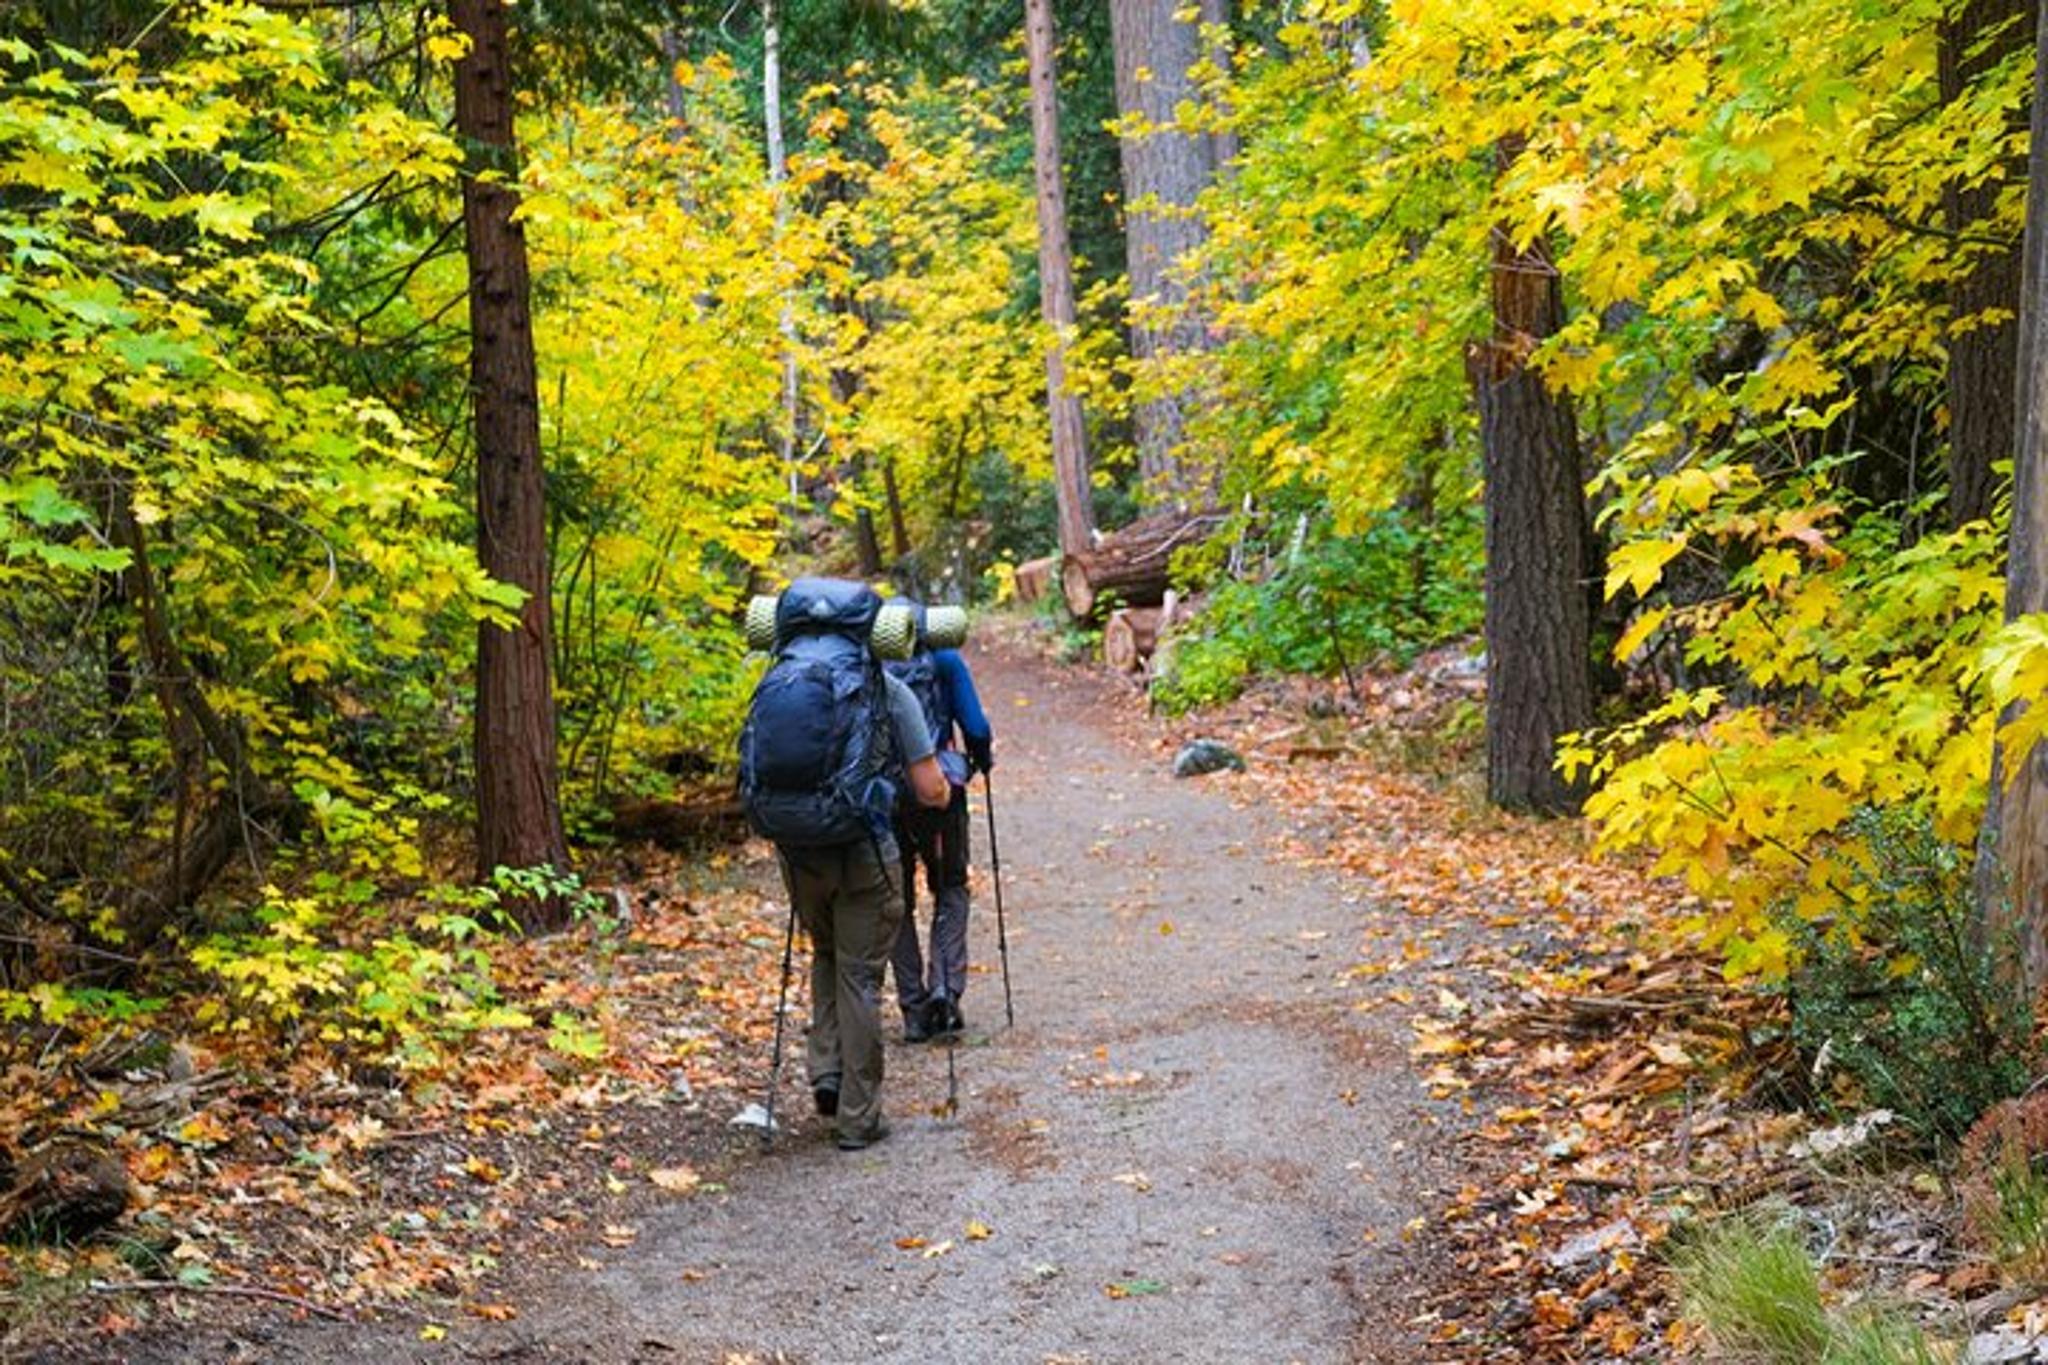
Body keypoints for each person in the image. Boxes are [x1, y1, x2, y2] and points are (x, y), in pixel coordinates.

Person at [740, 579, 949, 1151]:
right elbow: (931, 790)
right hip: (862, 852)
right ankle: (859, 1117)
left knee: (827, 954)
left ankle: (825, 1074)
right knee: (860, 975)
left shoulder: (775, 682)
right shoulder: (886, 688)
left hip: (798, 851)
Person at [887, 617, 994, 1044]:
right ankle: (945, 992)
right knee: (950, 884)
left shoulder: (870, 661)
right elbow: (977, 726)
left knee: (898, 901)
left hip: (887, 794)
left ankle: (913, 1010)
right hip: (939, 792)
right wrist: (981, 760)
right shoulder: (944, 658)